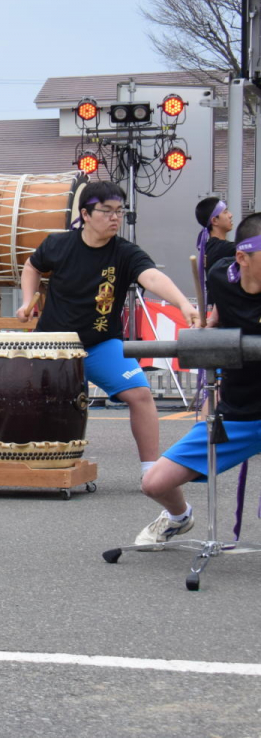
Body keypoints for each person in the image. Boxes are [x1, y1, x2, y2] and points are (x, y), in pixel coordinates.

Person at [17, 181, 199, 477]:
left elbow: (151, 278)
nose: (115, 217)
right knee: (37, 402)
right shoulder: (58, 244)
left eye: (119, 211)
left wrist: (183, 304)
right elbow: (32, 265)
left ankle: (151, 470)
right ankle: (36, 463)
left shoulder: (125, 253)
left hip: (101, 345)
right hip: (53, 346)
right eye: (107, 211)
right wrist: (27, 301)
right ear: (86, 214)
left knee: (140, 394)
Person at [134, 213, 261, 545]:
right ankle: (179, 517)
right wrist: (207, 330)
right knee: (155, 483)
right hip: (239, 411)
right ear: (242, 258)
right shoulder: (221, 278)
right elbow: (217, 318)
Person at [195, 197, 236, 297]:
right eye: (225, 212)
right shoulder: (221, 248)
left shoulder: (211, 246)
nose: (230, 215)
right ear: (214, 220)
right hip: (223, 307)